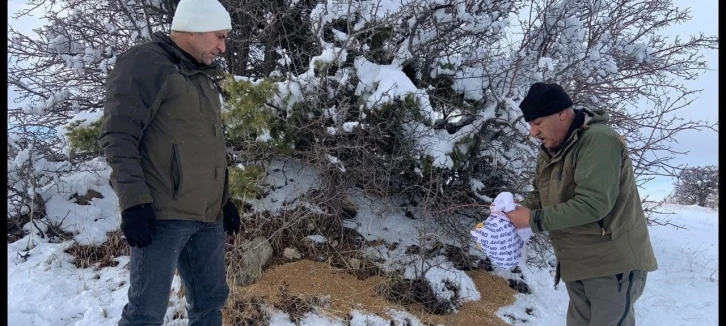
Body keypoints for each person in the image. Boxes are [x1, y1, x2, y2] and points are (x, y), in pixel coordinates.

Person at [97, 0, 241, 324]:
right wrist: (134, 203)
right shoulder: (146, 62)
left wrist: (225, 201)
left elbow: (210, 147)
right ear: (196, 27)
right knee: (145, 314)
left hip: (208, 218)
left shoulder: (203, 79)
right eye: (219, 36)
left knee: (210, 305)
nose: (223, 46)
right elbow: (118, 135)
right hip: (162, 217)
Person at [505, 82, 658, 326]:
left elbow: (594, 203)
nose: (532, 132)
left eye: (537, 123)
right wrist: (513, 212)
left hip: (611, 265)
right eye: (530, 124)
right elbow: (541, 196)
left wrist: (533, 220)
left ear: (561, 114)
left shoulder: (599, 140)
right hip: (577, 264)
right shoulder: (551, 149)